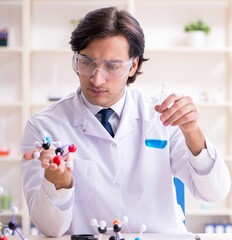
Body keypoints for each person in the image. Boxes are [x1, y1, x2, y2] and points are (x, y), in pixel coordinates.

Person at [21, 6, 231, 237]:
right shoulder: (44, 127)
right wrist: (58, 182)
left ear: (133, 66)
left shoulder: (161, 117)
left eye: (112, 66)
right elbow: (49, 228)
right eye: (87, 62)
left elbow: (214, 193)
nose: (97, 78)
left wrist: (192, 132)